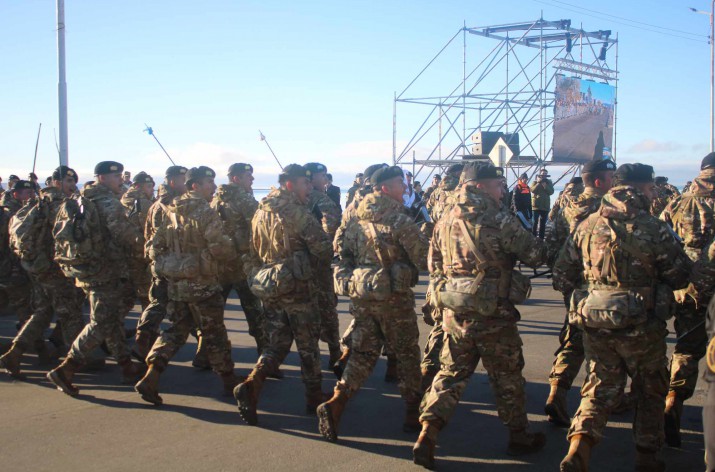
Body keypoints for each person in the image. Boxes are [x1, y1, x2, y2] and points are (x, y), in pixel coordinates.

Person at [553, 163, 691, 472]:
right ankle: (647, 456)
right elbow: (679, 274)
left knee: (599, 385)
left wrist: (589, 295)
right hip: (642, 325)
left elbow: (562, 274)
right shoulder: (653, 227)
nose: (654, 193)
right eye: (652, 188)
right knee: (649, 389)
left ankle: (580, 445)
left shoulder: (586, 224)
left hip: (595, 321)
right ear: (642, 189)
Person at [414, 162, 547, 469]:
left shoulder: (445, 217)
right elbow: (536, 254)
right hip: (493, 315)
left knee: (449, 374)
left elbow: (432, 263)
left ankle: (427, 432)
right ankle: (519, 435)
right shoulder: (499, 218)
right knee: (507, 376)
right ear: (481, 186)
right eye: (499, 185)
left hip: (455, 310)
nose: (503, 191)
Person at [317, 165, 428, 442]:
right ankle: (412, 414)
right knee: (406, 355)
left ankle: (337, 401)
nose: (405, 189)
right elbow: (424, 259)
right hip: (394, 301)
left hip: (363, 297)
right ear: (385, 189)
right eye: (400, 184)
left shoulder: (354, 217)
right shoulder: (400, 220)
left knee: (364, 355)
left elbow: (342, 251)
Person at [233, 164, 333, 424]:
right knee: (308, 345)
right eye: (304, 184)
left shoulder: (260, 212)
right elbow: (322, 250)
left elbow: (252, 251)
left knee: (276, 344)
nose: (308, 189)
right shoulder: (297, 214)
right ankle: (313, 395)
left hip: (271, 286)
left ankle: (253, 383)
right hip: (298, 289)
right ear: (290, 185)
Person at [135, 166, 242, 405]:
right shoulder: (205, 212)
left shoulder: (171, 210)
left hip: (178, 284)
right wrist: (229, 249)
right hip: (203, 285)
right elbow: (219, 248)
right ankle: (228, 379)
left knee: (175, 331)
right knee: (214, 332)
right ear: (195, 186)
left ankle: (151, 374)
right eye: (208, 183)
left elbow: (155, 245)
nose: (213, 188)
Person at [47, 161, 145, 396]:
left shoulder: (83, 198)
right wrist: (148, 245)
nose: (120, 180)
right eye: (116, 176)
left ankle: (126, 366)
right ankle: (66, 368)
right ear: (102, 177)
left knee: (109, 319)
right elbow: (124, 234)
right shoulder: (108, 202)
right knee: (100, 321)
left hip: (87, 268)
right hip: (106, 270)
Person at [543, 159, 616, 426]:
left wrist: (564, 281)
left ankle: (557, 390)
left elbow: (551, 245)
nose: (614, 181)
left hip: (572, 284)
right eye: (611, 177)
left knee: (573, 337)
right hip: (601, 287)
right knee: (605, 347)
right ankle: (598, 403)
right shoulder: (608, 209)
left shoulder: (566, 207)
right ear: (599, 182)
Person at [0, 167, 87, 377]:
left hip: (36, 267)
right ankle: (77, 359)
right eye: (67, 181)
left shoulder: (36, 202)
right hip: (54, 267)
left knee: (42, 312)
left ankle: (16, 352)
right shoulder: (60, 204)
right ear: (56, 182)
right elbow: (67, 237)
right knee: (70, 311)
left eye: (73, 181)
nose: (72, 185)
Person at [659, 152, 715, 447]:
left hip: (689, 288)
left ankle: (673, 401)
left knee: (686, 348)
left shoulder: (677, 201)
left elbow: (662, 240)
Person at [132, 166, 190, 362]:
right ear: (173, 182)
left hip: (159, 261)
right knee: (181, 312)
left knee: (157, 302)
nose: (187, 184)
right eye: (184, 180)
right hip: (173, 263)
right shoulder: (174, 204)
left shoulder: (156, 204)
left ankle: (142, 338)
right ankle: (155, 349)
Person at [211, 163, 266, 357]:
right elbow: (259, 225)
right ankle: (265, 354)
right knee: (253, 311)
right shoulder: (243, 198)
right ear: (236, 179)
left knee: (215, 311)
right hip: (241, 263)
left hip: (220, 262)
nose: (252, 180)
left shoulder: (215, 199)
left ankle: (205, 352)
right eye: (247, 176)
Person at [305, 162, 342, 367]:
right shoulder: (321, 198)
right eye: (322, 175)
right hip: (318, 264)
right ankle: (334, 353)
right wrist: (327, 249)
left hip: (297, 265)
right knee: (327, 308)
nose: (326, 178)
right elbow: (333, 226)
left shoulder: (291, 200)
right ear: (312, 179)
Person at [120, 171, 156, 310]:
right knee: (148, 297)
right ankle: (146, 330)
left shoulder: (122, 200)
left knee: (127, 297)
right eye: (148, 186)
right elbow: (151, 231)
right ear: (137, 186)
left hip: (125, 255)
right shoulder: (145, 204)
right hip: (141, 256)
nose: (151, 189)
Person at [530, 167, 554, 239]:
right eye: (543, 174)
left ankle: (541, 238)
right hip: (536, 206)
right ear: (540, 174)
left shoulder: (548, 183)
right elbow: (532, 190)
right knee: (535, 223)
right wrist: (538, 183)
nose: (544, 176)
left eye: (545, 174)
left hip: (545, 206)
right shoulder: (535, 182)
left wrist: (545, 185)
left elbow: (551, 192)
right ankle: (533, 237)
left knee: (543, 224)